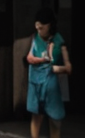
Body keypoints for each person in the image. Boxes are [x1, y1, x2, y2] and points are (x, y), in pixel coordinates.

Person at [26, 8, 70, 138]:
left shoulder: (58, 40)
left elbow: (67, 66)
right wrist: (42, 60)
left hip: (54, 82)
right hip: (37, 82)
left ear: (50, 25)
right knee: (37, 115)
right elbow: (29, 57)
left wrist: (59, 68)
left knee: (55, 119)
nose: (39, 30)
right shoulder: (35, 38)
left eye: (42, 27)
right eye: (37, 27)